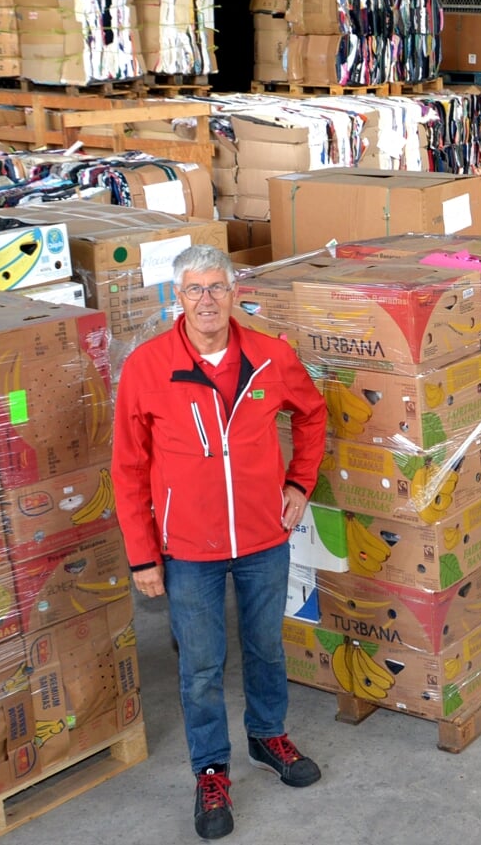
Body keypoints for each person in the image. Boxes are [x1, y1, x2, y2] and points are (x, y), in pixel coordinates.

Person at [113, 245, 328, 840]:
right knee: (202, 666)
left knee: (266, 647)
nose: (206, 300)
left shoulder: (270, 356)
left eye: (216, 288)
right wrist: (142, 555)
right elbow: (127, 468)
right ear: (176, 299)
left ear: (233, 293)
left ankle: (267, 736)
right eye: (193, 290)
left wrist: (299, 482)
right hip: (188, 549)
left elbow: (312, 415)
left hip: (264, 537)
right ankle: (210, 768)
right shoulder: (147, 367)